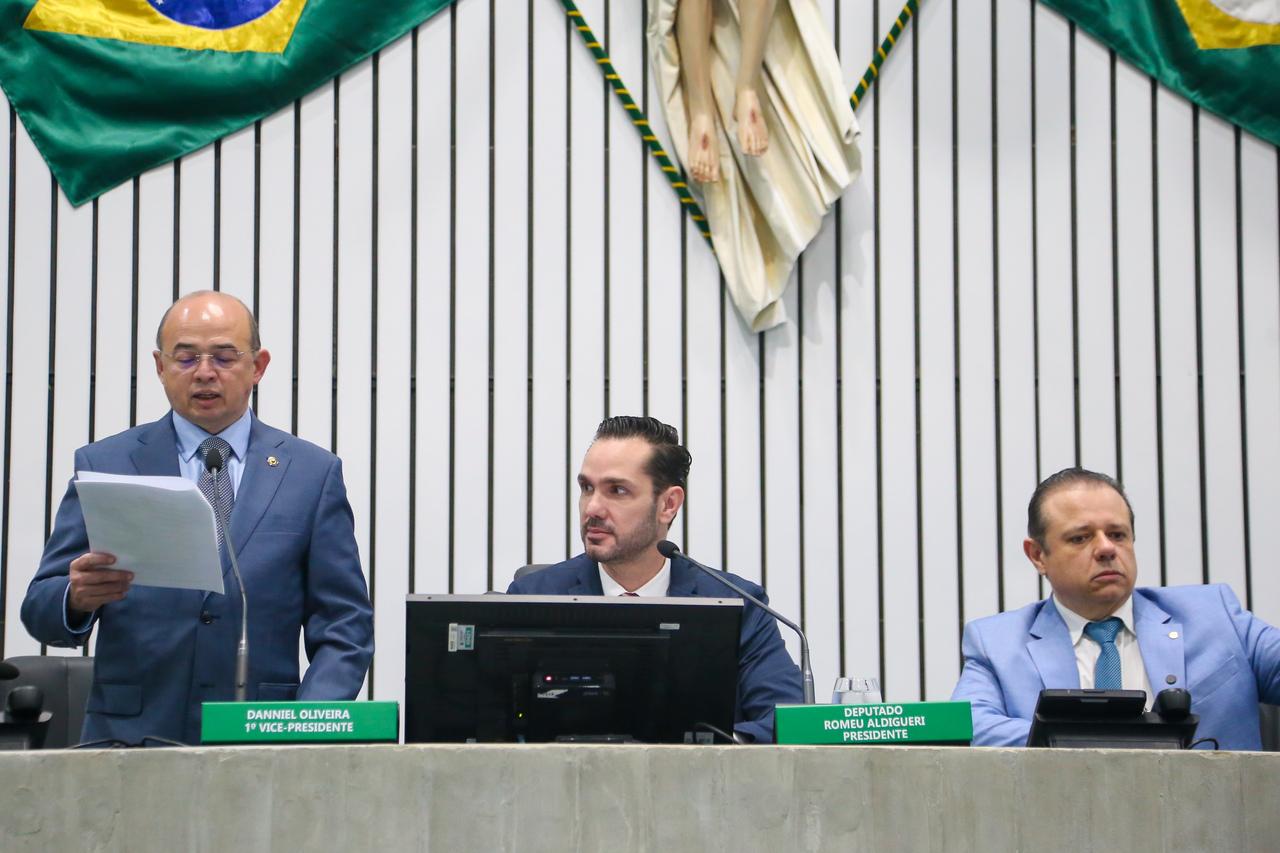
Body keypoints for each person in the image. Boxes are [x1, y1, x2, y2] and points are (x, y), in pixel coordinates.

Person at [21, 291, 373, 745]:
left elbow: (344, 626)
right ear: (160, 367)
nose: (205, 372)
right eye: (186, 358)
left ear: (258, 366)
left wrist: (302, 728)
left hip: (261, 742)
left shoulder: (311, 474)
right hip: (129, 741)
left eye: (225, 357)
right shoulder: (106, 462)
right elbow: (39, 608)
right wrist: (75, 598)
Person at [507, 415, 803, 743]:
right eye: (587, 488)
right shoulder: (533, 596)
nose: (593, 508)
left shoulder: (738, 604)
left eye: (617, 490)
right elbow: (490, 728)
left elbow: (786, 718)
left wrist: (702, 751)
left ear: (668, 504)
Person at [952, 467, 1280, 749]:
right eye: (1080, 538)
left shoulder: (1215, 615)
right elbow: (968, 728)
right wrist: (1102, 739)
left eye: (1117, 534)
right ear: (1038, 555)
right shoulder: (996, 643)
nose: (1107, 548)